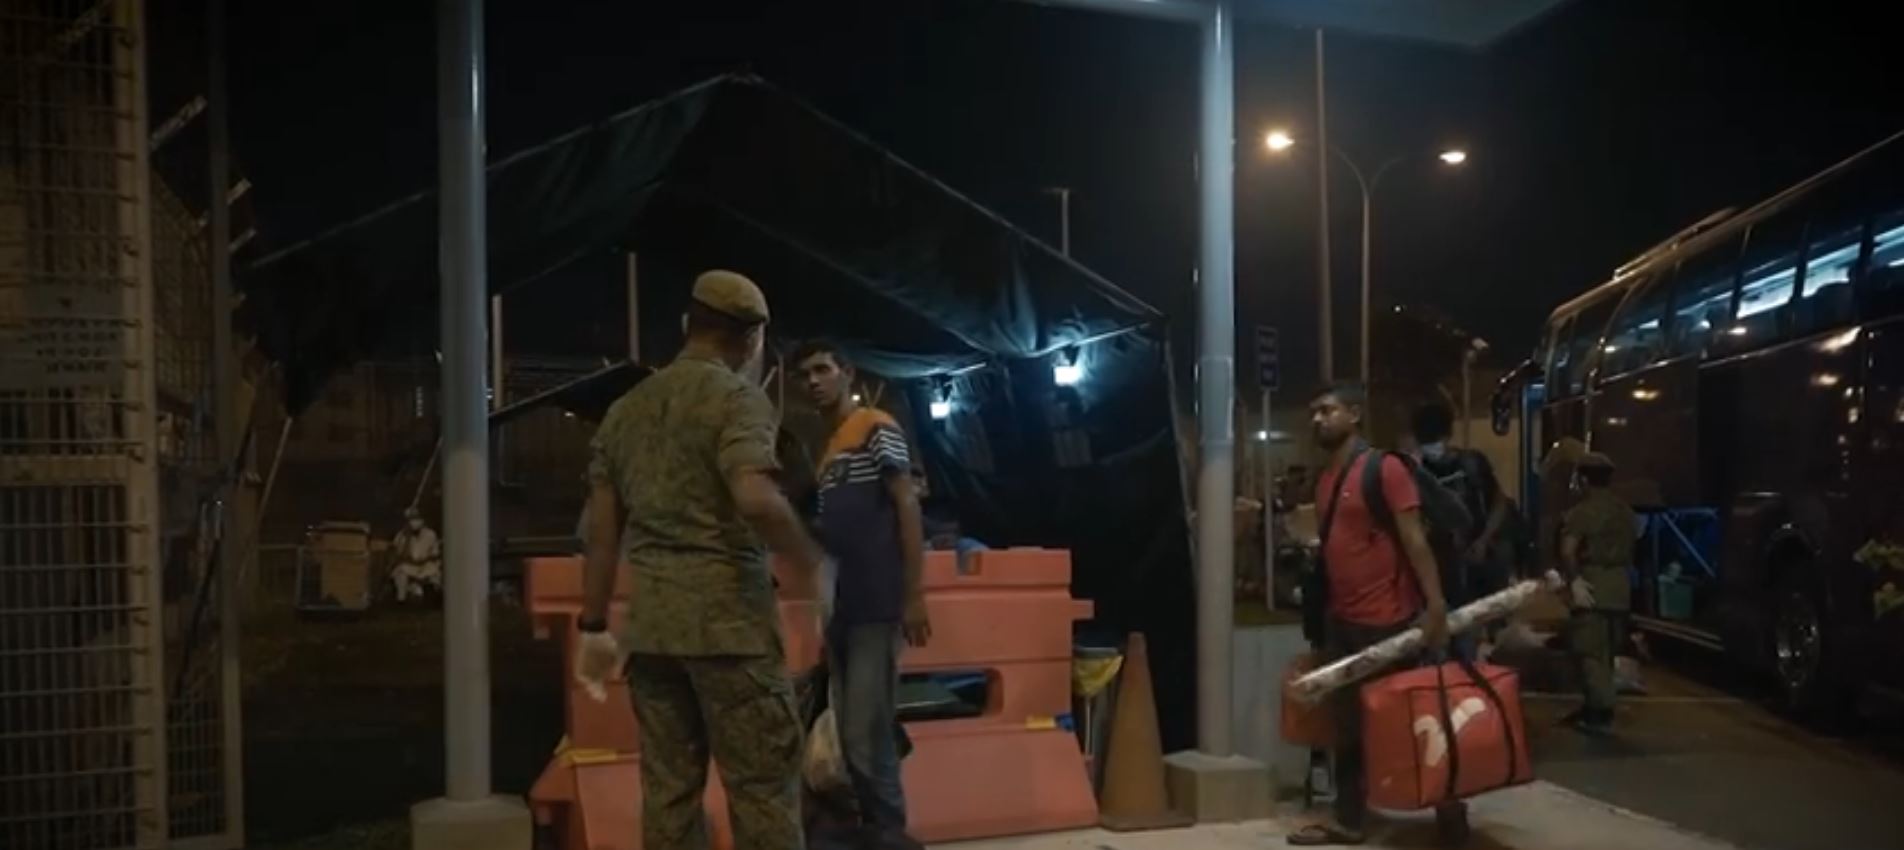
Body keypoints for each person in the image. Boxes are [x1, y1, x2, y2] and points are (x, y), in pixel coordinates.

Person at [573, 270, 830, 850]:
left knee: (668, 792)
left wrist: (592, 625)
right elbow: (754, 496)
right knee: (762, 791)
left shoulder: (625, 411)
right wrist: (813, 565)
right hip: (729, 630)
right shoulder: (738, 400)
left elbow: (602, 533)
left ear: (687, 324)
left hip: (653, 634)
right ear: (753, 338)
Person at [1291, 383, 1463, 848]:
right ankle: (1349, 820)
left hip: (1390, 621)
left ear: (1354, 414)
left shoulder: (1384, 469)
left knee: (1409, 723)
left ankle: (1450, 808)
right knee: (1348, 728)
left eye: (1328, 410)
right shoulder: (1326, 479)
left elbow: (1415, 540)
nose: (1318, 419)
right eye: (1314, 411)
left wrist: (1435, 606)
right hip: (1343, 621)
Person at [794, 340, 930, 850]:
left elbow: (906, 503)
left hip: (876, 602)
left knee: (863, 732)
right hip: (842, 609)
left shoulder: (875, 426)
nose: (813, 381)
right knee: (859, 737)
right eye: (804, 374)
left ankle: (891, 833)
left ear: (846, 373)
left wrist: (913, 595)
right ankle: (878, 833)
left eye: (822, 369)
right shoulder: (829, 452)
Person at [1410, 402, 1513, 654]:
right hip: (1439, 573)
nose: (1431, 446)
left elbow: (1499, 503)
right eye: (1425, 440)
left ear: (1447, 435)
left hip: (1475, 569)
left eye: (1434, 439)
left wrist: (1483, 541)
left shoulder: (1472, 465)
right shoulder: (1415, 473)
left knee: (1471, 637)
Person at [1558, 451, 1637, 735]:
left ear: (1582, 479)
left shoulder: (1583, 512)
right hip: (1620, 587)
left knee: (1590, 653)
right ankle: (1593, 707)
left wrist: (1575, 581)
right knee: (1607, 653)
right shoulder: (1625, 511)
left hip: (1594, 585)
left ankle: (1600, 713)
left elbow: (1568, 551)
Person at [388, 507, 442, 603]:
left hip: (426, 565)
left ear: (422, 520)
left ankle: (432, 597)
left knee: (435, 574)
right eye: (411, 519)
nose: (414, 522)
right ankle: (401, 600)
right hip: (409, 566)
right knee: (400, 573)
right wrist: (406, 540)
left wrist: (426, 561)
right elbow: (397, 553)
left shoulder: (430, 534)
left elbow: (435, 554)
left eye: (417, 518)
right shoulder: (402, 535)